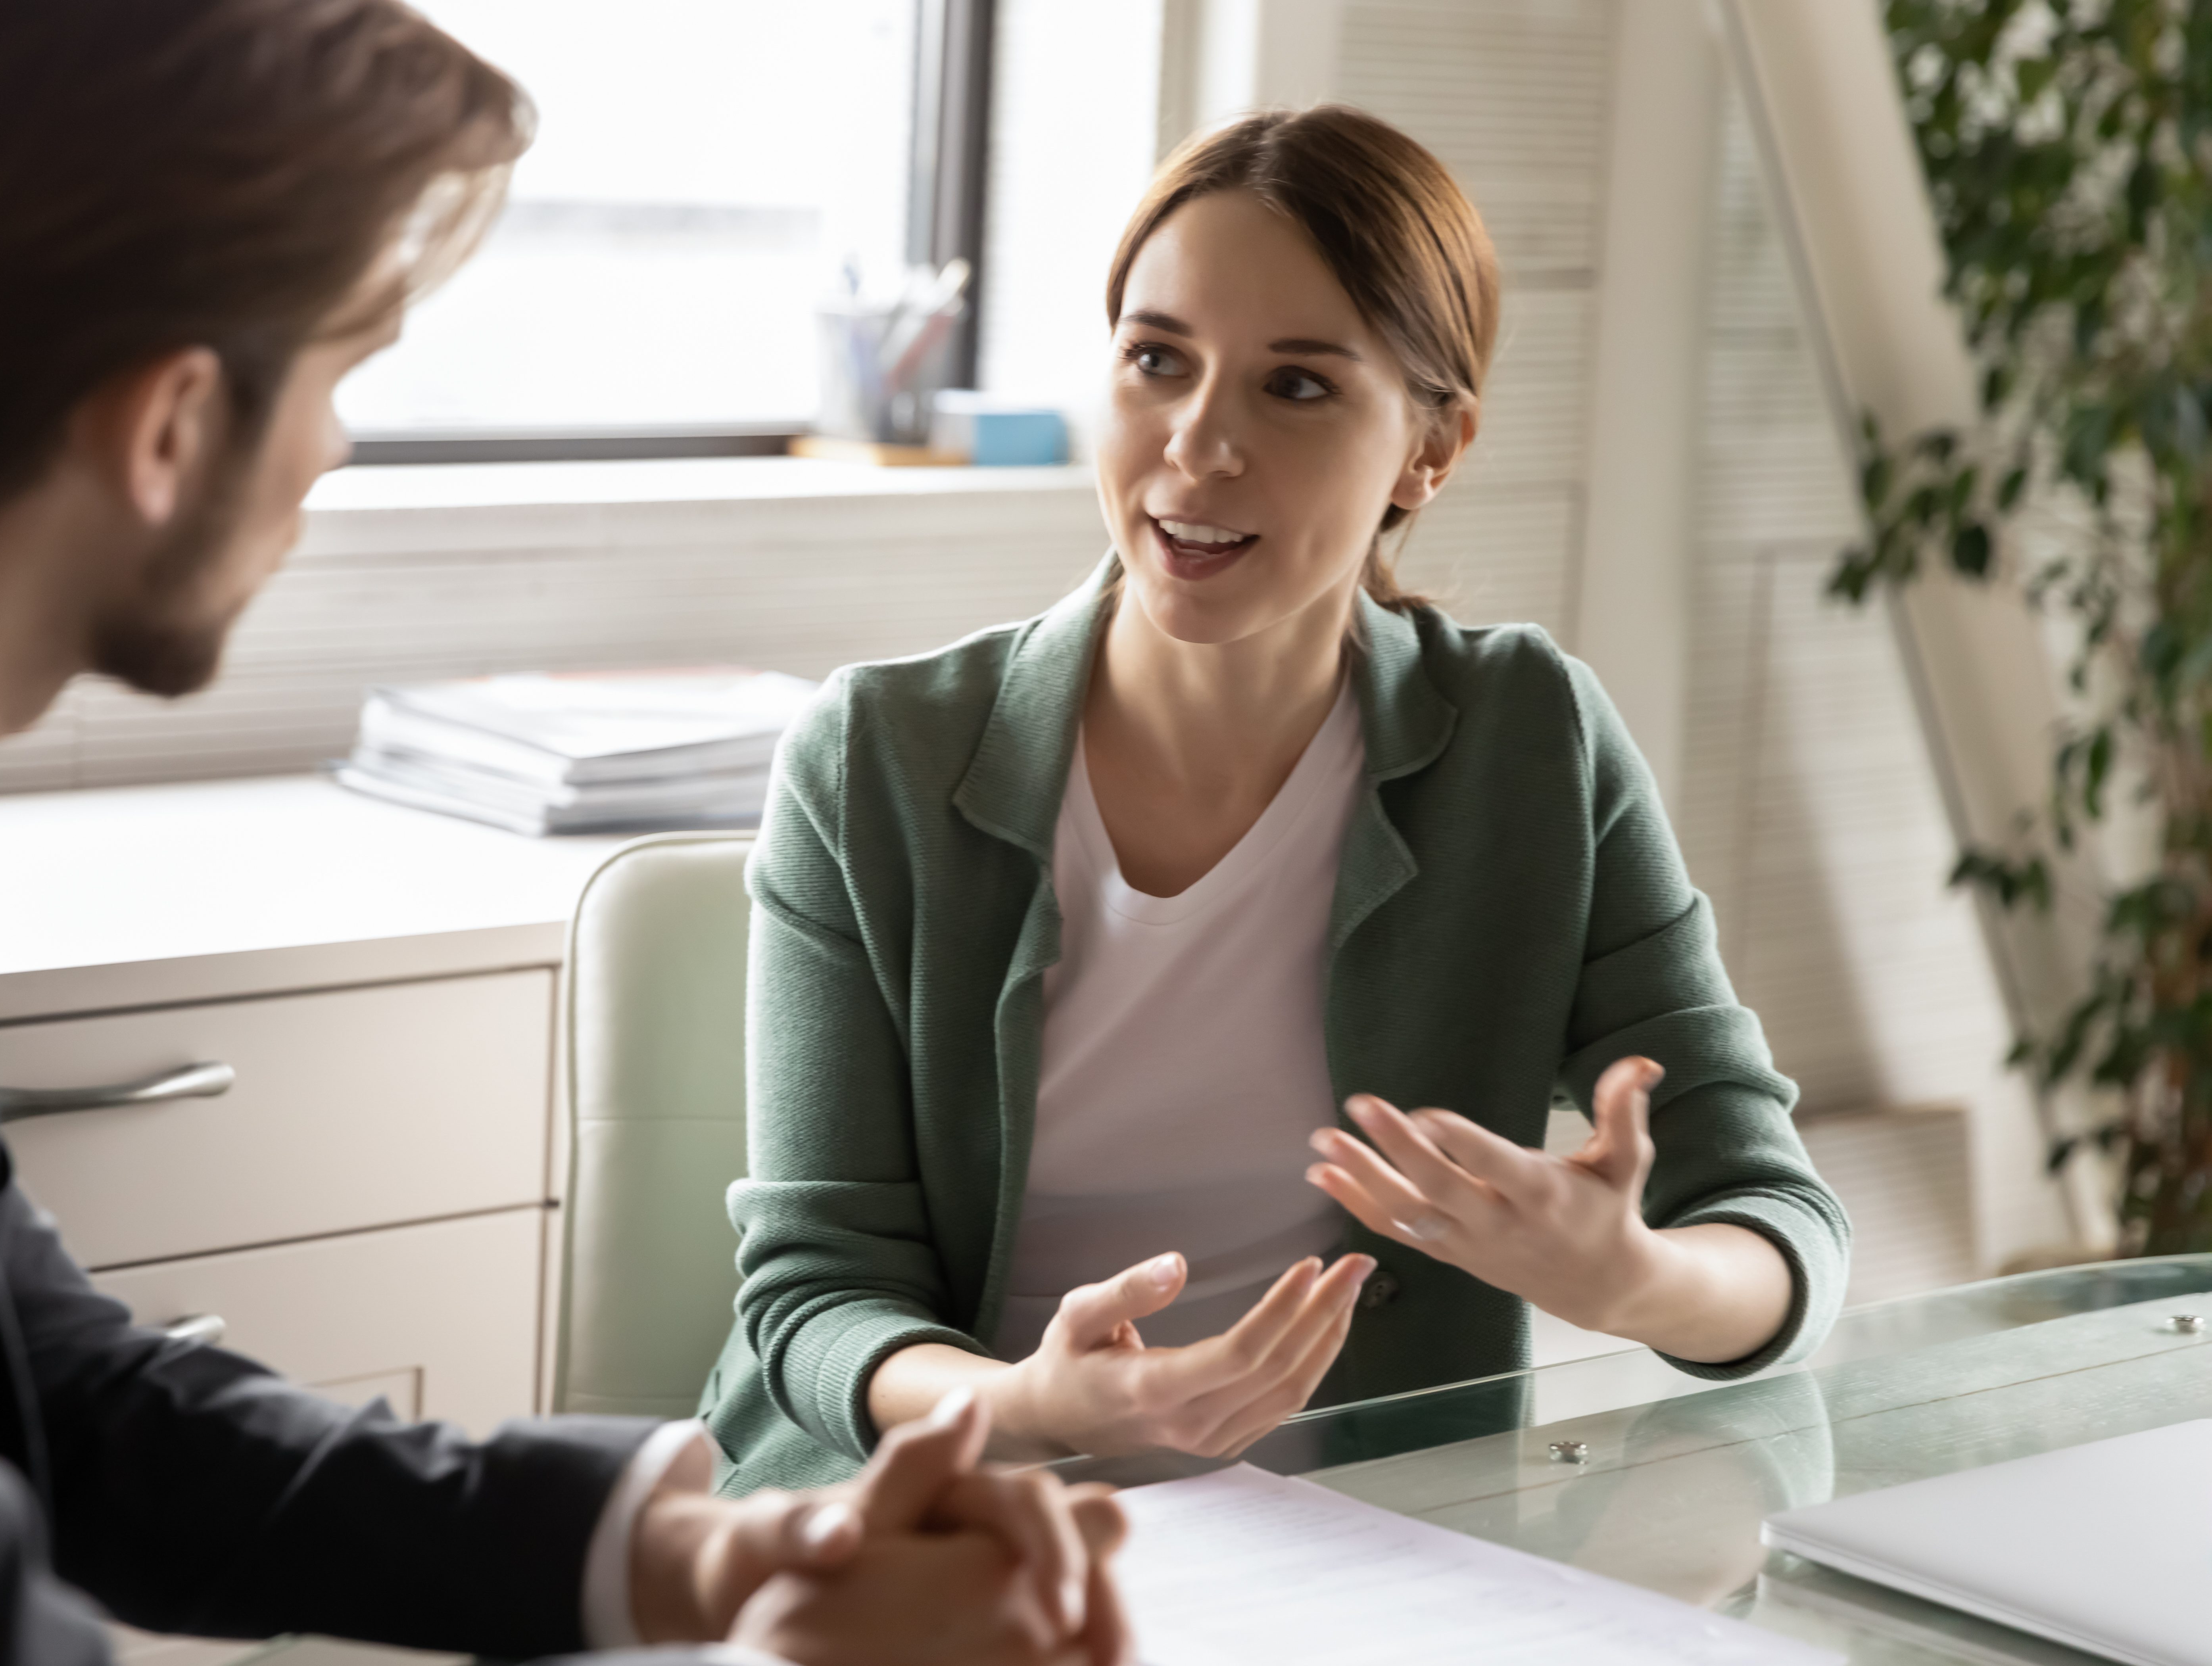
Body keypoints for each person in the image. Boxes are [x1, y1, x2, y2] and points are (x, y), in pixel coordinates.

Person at [0, 2, 1130, 1661]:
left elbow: (54, 1391)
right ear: (166, 426)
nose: (333, 451)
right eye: (343, 375)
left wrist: (708, 1559)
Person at [703, 104, 1853, 1494]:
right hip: (944, 1524)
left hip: (1352, 1560)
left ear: (1432, 448)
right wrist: (1037, 1405)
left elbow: (1773, 1214)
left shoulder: (1529, 747)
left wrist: (1637, 1280)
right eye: (1155, 361)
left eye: (1295, 386)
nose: (1197, 446)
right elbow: (816, 1303)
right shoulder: (874, 761)